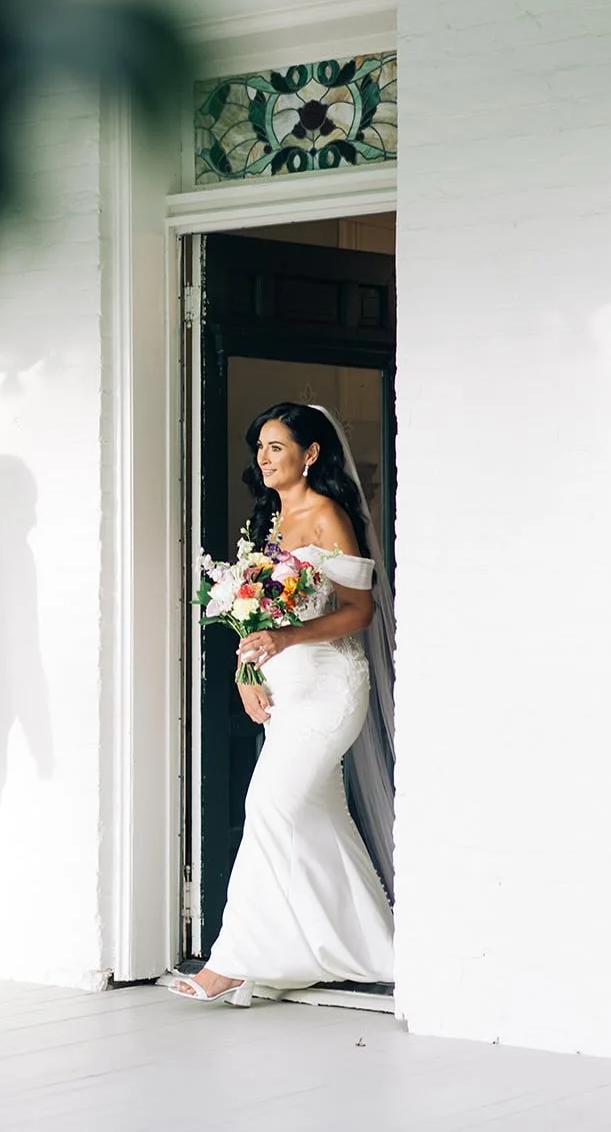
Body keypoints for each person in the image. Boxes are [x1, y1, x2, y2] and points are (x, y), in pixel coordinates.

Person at [171, 401, 394, 1005]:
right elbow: (260, 613)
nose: (264, 458)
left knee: (267, 806)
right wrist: (248, 669)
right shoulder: (270, 520)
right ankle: (378, 949)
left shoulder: (326, 514)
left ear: (310, 454)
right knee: (319, 818)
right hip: (285, 689)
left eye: (276, 447)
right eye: (260, 448)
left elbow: (358, 610)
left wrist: (287, 638)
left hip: (329, 687)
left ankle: (233, 960)